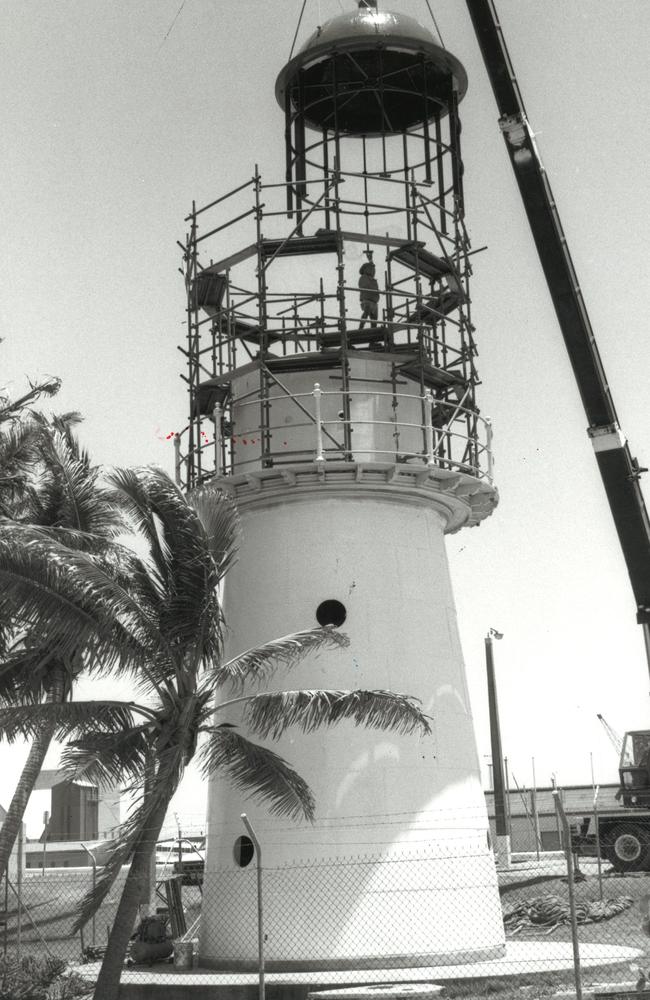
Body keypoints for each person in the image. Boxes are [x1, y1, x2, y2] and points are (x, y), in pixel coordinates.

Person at [358, 260, 380, 329]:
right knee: (366, 313)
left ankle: (373, 329)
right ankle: (361, 327)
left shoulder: (372, 279)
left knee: (374, 319)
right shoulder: (363, 278)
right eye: (370, 269)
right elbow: (365, 286)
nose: (372, 271)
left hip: (374, 302)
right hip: (367, 300)